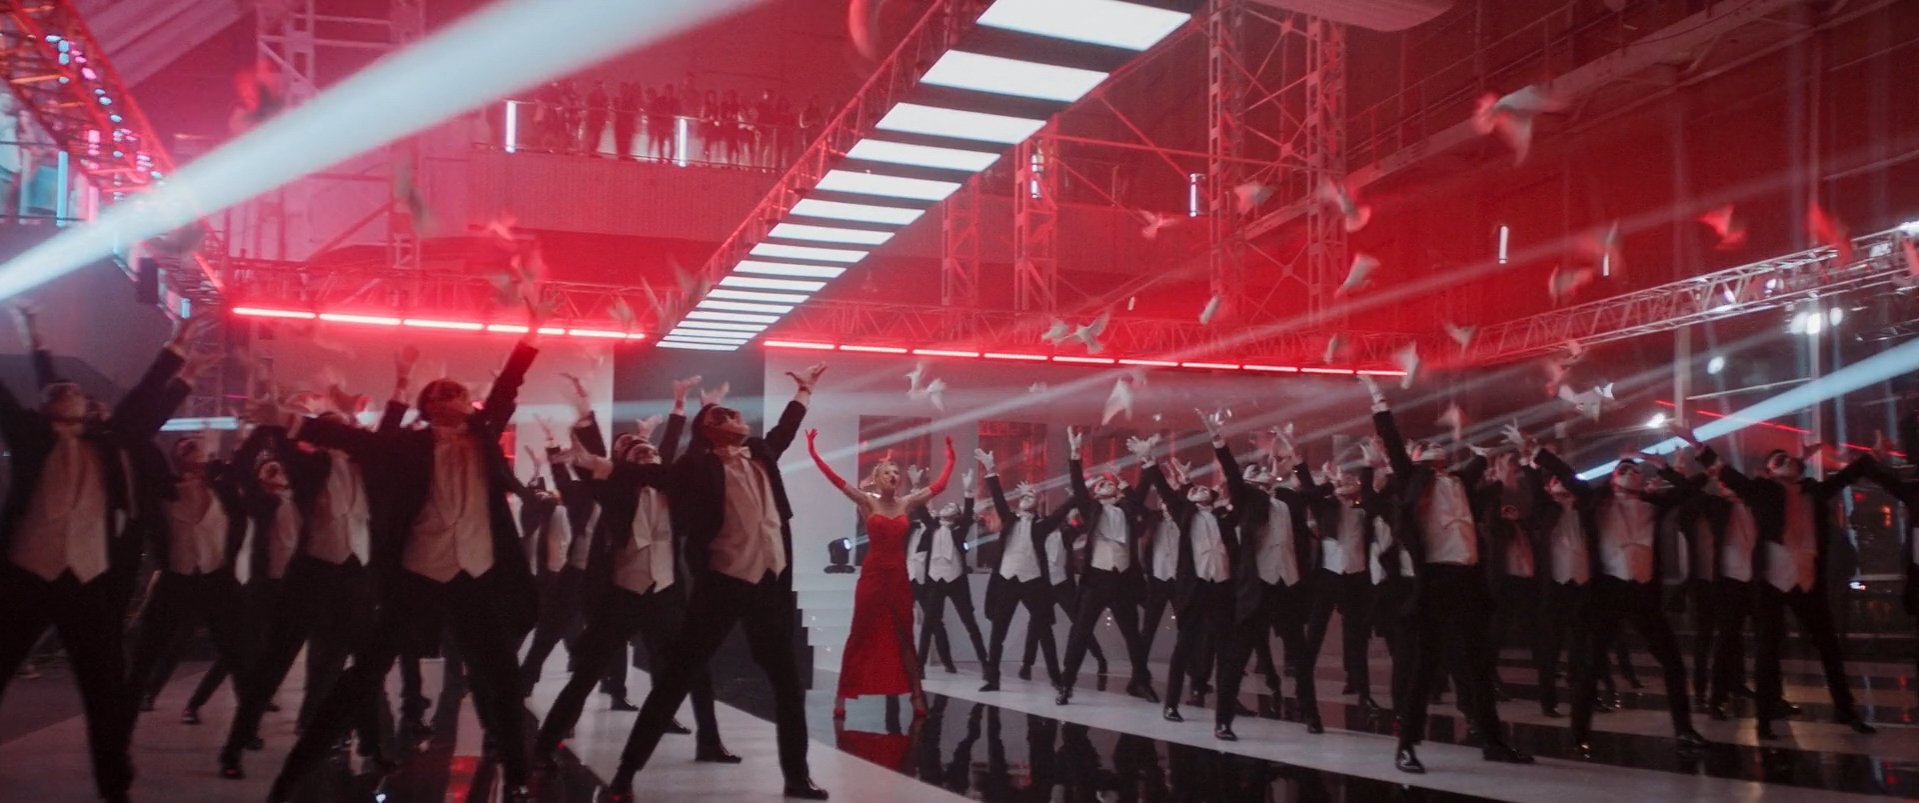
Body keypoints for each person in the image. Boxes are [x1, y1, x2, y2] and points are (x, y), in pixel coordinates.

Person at [250, 309, 545, 803]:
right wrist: (287, 420)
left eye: (456, 390)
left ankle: (516, 778)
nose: (450, 393)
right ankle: (291, 777)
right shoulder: (408, 446)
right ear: (428, 406)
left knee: (501, 677)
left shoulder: (485, 435)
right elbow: (353, 438)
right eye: (440, 391)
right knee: (363, 674)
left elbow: (507, 388)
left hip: (476, 574)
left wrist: (530, 337)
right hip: (418, 572)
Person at [592, 362, 830, 801]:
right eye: (722, 415)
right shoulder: (695, 466)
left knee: (787, 684)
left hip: (769, 583)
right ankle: (626, 773)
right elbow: (653, 473)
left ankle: (797, 778)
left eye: (733, 412)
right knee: (677, 677)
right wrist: (603, 467)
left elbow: (785, 431)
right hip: (723, 584)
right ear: (708, 431)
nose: (734, 415)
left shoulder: (761, 453)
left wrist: (804, 393)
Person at [0, 311, 203, 803]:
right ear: (47, 406)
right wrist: (36, 342)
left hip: (88, 579)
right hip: (26, 576)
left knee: (105, 694)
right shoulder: (30, 434)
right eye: (62, 390)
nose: (73, 391)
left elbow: (142, 405)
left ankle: (115, 790)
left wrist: (175, 352)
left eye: (79, 391)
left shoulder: (111, 443)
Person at [536, 377, 738, 764]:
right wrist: (584, 411)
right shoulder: (616, 491)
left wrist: (692, 409)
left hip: (666, 594)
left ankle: (709, 741)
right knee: (586, 674)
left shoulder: (675, 487)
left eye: (651, 450)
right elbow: (600, 463)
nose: (647, 453)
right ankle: (545, 745)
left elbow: (686, 451)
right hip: (623, 594)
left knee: (695, 668)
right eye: (638, 452)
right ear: (626, 466)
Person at [1364, 378, 1531, 773]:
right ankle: (1406, 747)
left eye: (1438, 446)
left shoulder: (1459, 483)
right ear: (1417, 459)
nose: (1434, 447)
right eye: (1426, 447)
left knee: (1478, 668)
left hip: (1467, 583)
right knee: (1423, 670)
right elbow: (1395, 446)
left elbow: (1481, 467)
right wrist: (1378, 400)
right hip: (1435, 583)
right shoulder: (1415, 482)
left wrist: (1506, 454)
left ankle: (1493, 742)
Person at [1684, 426, 1879, 739]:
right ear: (1769, 472)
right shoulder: (1761, 492)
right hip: (1772, 581)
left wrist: (1873, 455)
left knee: (1829, 648)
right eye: (1779, 460)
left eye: (1789, 459)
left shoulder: (1814, 491)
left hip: (1807, 579)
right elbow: (1724, 471)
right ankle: (1763, 719)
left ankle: (1846, 710)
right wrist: (1695, 442)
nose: (1786, 461)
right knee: (1767, 650)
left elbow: (1845, 477)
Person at [1531, 446, 1708, 758]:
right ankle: (1578, 735)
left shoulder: (1653, 506)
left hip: (1644, 596)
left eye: (1635, 469)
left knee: (1673, 663)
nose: (1630, 471)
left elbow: (1689, 488)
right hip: (1608, 594)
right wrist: (1541, 455)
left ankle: (1684, 729)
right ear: (1612, 478)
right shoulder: (1598, 503)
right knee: (1591, 665)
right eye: (1623, 469)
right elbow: (1570, 478)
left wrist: (1661, 465)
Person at [812, 431, 954, 716]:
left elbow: (939, 486)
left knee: (904, 635)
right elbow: (837, 481)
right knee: (860, 631)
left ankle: (915, 695)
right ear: (877, 478)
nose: (893, 476)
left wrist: (951, 458)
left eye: (896, 472)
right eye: (888, 472)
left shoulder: (906, 503)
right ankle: (842, 696)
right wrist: (814, 453)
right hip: (873, 575)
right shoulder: (867, 501)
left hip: (898, 575)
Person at [1210, 421, 1314, 737]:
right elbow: (1233, 476)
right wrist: (1220, 444)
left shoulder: (1287, 500)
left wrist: (1297, 460)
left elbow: (1311, 494)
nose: (1265, 473)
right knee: (1239, 654)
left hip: (1288, 585)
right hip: (1259, 587)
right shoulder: (1249, 501)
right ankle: (1223, 720)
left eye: (1266, 472)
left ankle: (1311, 714)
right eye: (1257, 474)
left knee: (1300, 655)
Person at [1056, 427, 1158, 705]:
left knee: (1133, 636)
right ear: (1096, 493)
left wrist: (1146, 459)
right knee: (1080, 633)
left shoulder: (1128, 507)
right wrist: (1075, 454)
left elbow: (1142, 489)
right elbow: (1079, 489)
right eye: (1100, 484)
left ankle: (1141, 682)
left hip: (1124, 580)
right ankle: (1066, 684)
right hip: (1096, 580)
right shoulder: (1092, 510)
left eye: (1108, 483)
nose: (1105, 484)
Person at [978, 449, 1070, 690]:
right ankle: (993, 679)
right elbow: (998, 498)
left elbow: (1060, 513)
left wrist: (1078, 494)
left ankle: (1056, 679)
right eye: (1024, 495)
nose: (1027, 497)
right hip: (1007, 579)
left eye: (1032, 495)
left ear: (1038, 502)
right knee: (998, 631)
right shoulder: (1009, 518)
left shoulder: (1043, 524)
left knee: (1044, 631)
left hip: (1033, 581)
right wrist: (990, 470)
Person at [911, 477, 989, 680]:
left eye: (951, 506)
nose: (946, 506)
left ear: (956, 515)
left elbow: (968, 516)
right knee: (928, 625)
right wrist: (917, 486)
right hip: (935, 580)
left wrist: (968, 492)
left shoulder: (959, 530)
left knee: (970, 623)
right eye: (946, 505)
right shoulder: (932, 527)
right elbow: (921, 510)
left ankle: (986, 665)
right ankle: (919, 667)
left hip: (956, 580)